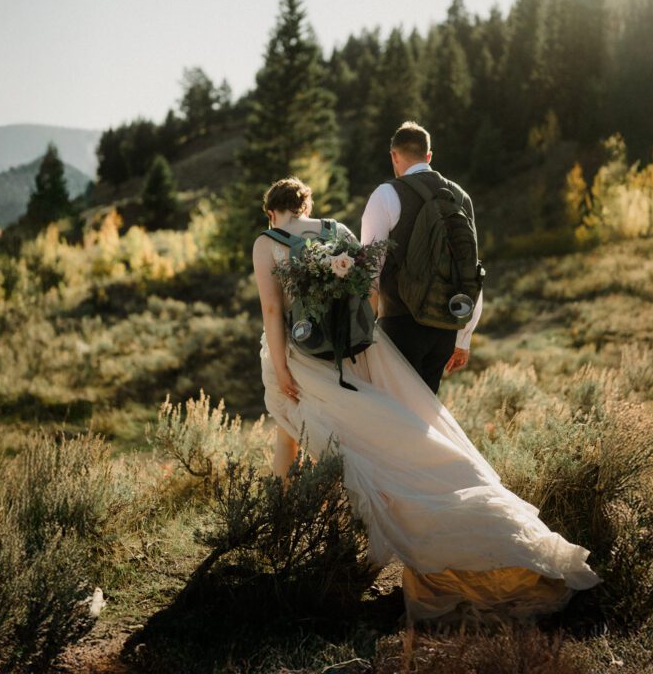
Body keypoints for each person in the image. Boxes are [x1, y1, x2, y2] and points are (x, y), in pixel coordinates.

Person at [253, 175, 600, 625]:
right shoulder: (336, 232)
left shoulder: (267, 242)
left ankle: (282, 526)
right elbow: (368, 292)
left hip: (303, 355)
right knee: (330, 433)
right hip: (355, 353)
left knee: (305, 429)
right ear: (306, 204)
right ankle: (296, 521)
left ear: (271, 210)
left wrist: (281, 368)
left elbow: (272, 311)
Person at [361, 121, 480, 393]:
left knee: (397, 417)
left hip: (400, 323)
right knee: (424, 415)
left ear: (394, 155)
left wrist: (362, 335)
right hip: (445, 326)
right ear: (429, 156)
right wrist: (464, 338)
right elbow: (471, 267)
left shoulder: (387, 194)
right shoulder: (461, 198)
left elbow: (369, 272)